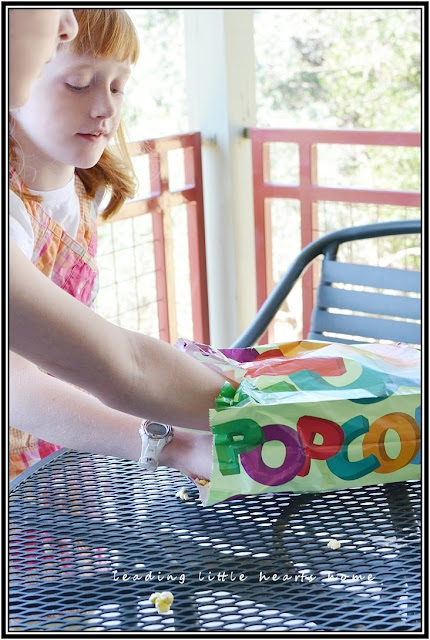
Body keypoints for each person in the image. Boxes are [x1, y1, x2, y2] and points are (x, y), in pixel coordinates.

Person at [8, 9, 224, 482]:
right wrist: (185, 438)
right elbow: (17, 384)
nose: (105, 108)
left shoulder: (81, 187)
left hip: (64, 449)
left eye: (118, 86)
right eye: (78, 84)